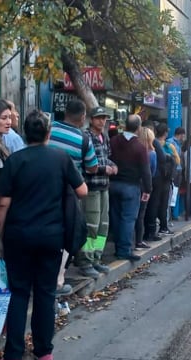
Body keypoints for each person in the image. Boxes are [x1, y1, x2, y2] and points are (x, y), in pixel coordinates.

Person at [0, 110, 88, 360]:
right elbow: (82, 191)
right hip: (51, 236)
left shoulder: (15, 160)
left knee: (19, 293)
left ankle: (13, 354)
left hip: (18, 236)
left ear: (25, 133)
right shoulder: (61, 158)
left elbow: (3, 203)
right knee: (46, 294)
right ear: (48, 134)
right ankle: (44, 352)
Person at [49, 99, 99, 286]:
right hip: (69, 194)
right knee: (68, 235)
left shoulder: (49, 129)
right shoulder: (83, 139)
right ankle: (59, 278)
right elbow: (93, 167)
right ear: (83, 117)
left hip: (42, 190)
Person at [75, 106, 117, 277]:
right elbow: (86, 164)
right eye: (99, 118)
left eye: (104, 118)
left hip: (104, 187)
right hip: (91, 186)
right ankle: (85, 260)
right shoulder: (85, 137)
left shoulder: (104, 137)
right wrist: (103, 169)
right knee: (91, 225)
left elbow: (106, 157)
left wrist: (112, 166)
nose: (102, 121)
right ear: (91, 119)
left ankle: (96, 258)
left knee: (102, 226)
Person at [109, 115, 152, 261]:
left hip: (112, 184)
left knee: (115, 217)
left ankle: (117, 248)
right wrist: (148, 190)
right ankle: (124, 250)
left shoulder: (113, 141)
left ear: (124, 125)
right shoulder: (139, 147)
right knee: (128, 219)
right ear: (139, 128)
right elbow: (146, 171)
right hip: (131, 186)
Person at [144, 123, 174, 241]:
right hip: (156, 178)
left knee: (144, 209)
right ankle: (151, 232)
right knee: (154, 204)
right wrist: (169, 158)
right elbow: (162, 158)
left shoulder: (139, 142)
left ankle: (142, 235)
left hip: (143, 179)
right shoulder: (154, 143)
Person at [135, 126, 157, 249]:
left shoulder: (134, 149)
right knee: (140, 214)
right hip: (144, 186)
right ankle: (139, 240)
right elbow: (152, 172)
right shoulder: (152, 153)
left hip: (133, 183)